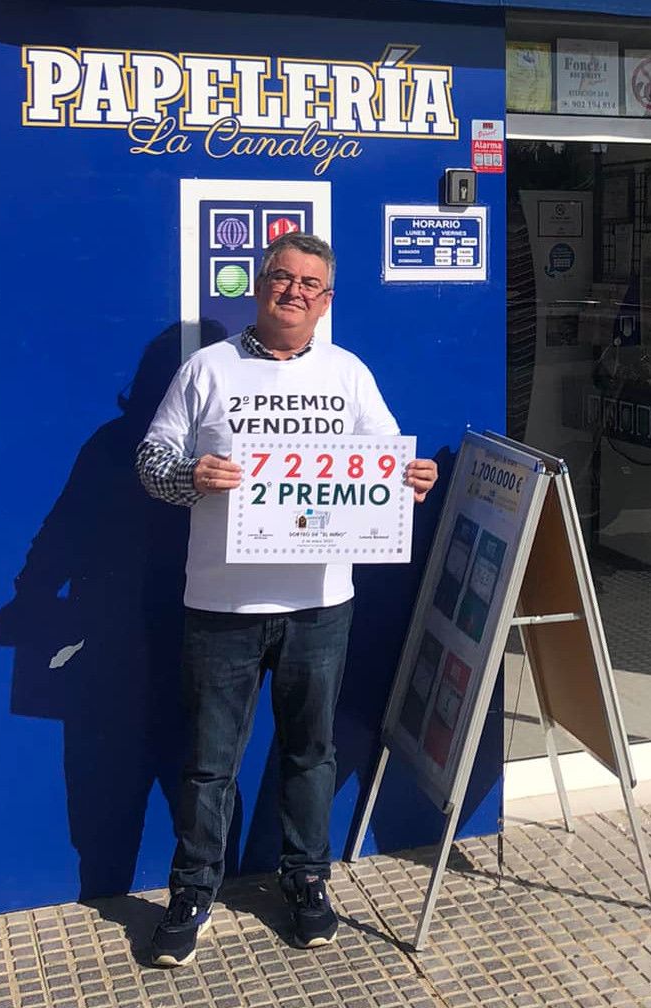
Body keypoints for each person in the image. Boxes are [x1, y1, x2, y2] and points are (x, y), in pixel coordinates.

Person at [135, 233, 438, 966]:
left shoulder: (348, 373)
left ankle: (306, 881)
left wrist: (408, 482)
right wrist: (190, 477)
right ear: (259, 285)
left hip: (320, 602)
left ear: (326, 300)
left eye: (311, 283)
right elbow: (150, 462)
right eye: (282, 277)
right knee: (210, 762)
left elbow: (380, 463)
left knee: (311, 753)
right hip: (221, 605)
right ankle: (194, 891)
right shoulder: (206, 369)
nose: (295, 290)